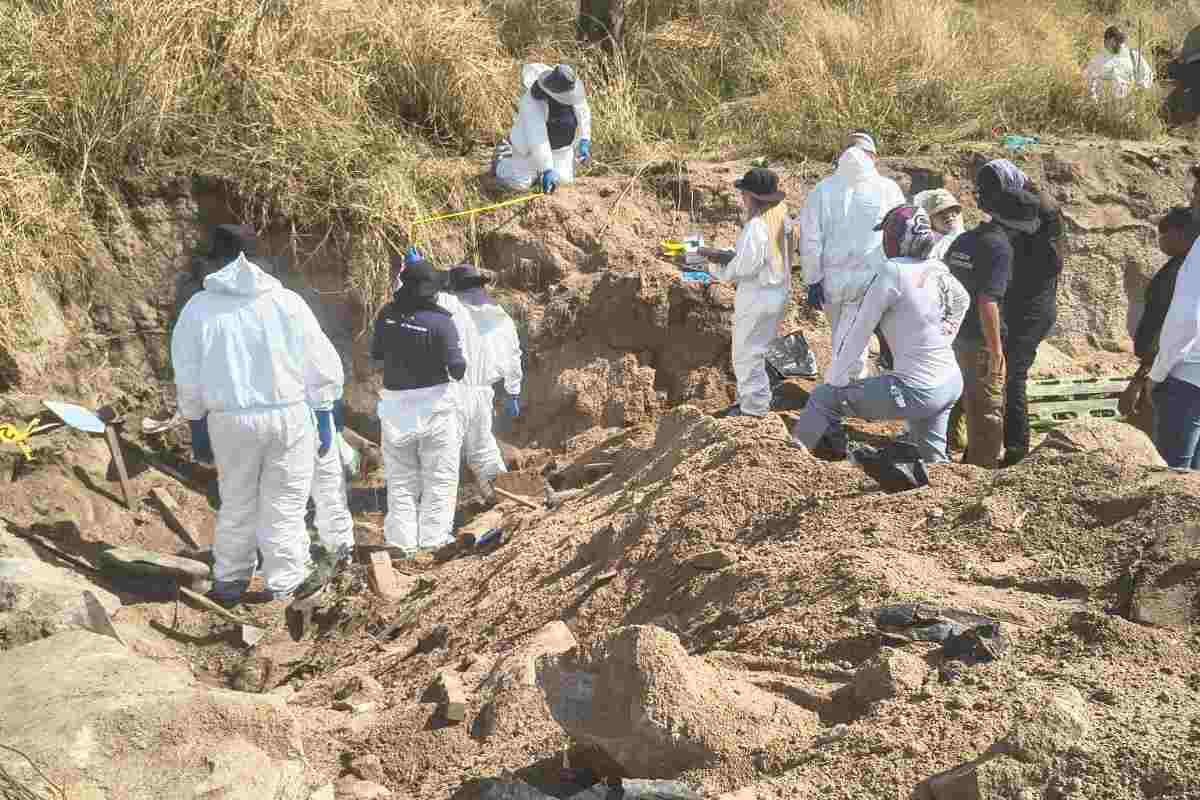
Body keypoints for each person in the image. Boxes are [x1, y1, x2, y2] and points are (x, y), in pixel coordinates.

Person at [171, 225, 344, 605]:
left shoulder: (198, 309)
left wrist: (195, 421)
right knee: (285, 503)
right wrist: (324, 410)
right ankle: (285, 584)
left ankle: (230, 579)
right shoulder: (287, 303)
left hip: (229, 421)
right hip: (288, 415)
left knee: (236, 500)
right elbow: (319, 360)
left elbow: (187, 372)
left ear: (216, 262)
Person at [790, 206, 968, 462]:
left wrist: (836, 380)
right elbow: (963, 300)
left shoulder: (892, 272)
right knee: (933, 459)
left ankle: (791, 463)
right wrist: (947, 333)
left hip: (916, 389)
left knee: (823, 398)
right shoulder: (935, 267)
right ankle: (941, 494)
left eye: (886, 236)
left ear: (895, 240)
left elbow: (858, 333)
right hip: (949, 382)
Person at [799, 130, 904, 449]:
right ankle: (851, 398)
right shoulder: (887, 188)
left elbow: (810, 238)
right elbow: (902, 229)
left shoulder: (822, 189)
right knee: (855, 341)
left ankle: (844, 395)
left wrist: (812, 279)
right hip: (871, 280)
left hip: (832, 282)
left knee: (842, 339)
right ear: (872, 157)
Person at [944, 164, 1039, 468]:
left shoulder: (963, 241)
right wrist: (996, 349)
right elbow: (988, 301)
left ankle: (944, 461)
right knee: (987, 412)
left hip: (951, 336)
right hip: (978, 341)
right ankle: (980, 478)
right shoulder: (1000, 249)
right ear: (1016, 227)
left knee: (955, 402)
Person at [372, 257, 466, 554]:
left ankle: (401, 542)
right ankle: (433, 540)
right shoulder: (441, 322)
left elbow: (377, 354)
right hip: (435, 407)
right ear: (432, 292)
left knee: (400, 478)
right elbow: (457, 369)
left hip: (396, 407)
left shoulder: (386, 314)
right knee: (439, 476)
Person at [700, 167, 792, 418]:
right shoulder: (781, 216)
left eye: (744, 194)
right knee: (757, 350)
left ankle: (753, 410)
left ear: (751, 196)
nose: (742, 198)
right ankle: (751, 403)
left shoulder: (756, 225)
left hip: (758, 296)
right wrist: (726, 254)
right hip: (777, 292)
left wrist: (710, 266)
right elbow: (760, 257)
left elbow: (741, 271)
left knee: (746, 354)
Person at [996, 160, 1067, 467]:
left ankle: (1016, 449)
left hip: (1031, 313)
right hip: (1022, 308)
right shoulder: (1037, 228)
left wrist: (1030, 187)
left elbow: (1049, 214)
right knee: (1007, 375)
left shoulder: (1043, 233)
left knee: (1013, 376)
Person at [448, 263, 523, 494]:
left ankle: (435, 510)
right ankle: (502, 497)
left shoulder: (452, 312)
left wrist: (408, 271)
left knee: (444, 452)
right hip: (482, 395)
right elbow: (513, 357)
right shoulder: (501, 318)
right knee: (483, 449)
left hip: (451, 391)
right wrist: (513, 392)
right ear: (482, 286)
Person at [1124, 207, 1197, 437]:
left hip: (1169, 372)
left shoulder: (1183, 272)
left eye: (1162, 232)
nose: (1159, 239)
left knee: (1165, 455)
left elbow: (1172, 326)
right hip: (1169, 367)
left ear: (1178, 233)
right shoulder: (1180, 265)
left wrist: (1143, 377)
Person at [1148, 169, 1200, 470]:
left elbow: (1187, 320)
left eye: (1196, 194)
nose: (1192, 202)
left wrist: (1157, 374)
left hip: (1187, 380)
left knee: (1173, 483)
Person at [493, 63, 592, 194]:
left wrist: (584, 140)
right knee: (520, 184)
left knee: (563, 182)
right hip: (529, 149)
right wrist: (547, 168)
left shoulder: (570, 87)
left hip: (560, 149)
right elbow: (537, 138)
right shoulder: (531, 102)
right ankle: (502, 158)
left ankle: (540, 172)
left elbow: (583, 112)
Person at [309, 397, 354, 568]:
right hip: (311, 415)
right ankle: (289, 578)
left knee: (330, 495)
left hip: (311, 414)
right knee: (330, 494)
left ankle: (342, 556)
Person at [1084, 25, 1154, 100]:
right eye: (1116, 40)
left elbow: (1148, 75)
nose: (1119, 43)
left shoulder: (1133, 56)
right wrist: (1095, 99)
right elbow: (1088, 81)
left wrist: (1141, 87)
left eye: (1121, 40)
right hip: (1105, 105)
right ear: (1106, 41)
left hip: (1131, 104)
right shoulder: (1097, 60)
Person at [913, 188, 965, 260]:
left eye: (953, 210)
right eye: (941, 212)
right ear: (929, 219)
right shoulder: (926, 246)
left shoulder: (964, 238)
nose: (949, 216)